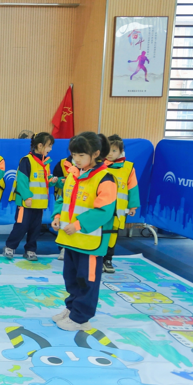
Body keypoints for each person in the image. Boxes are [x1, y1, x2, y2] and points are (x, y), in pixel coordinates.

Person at [51, 132, 117, 331]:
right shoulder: (72, 174)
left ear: (96, 153)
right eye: (74, 155)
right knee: (70, 278)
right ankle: (72, 309)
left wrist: (78, 225)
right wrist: (56, 217)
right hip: (71, 239)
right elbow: (63, 200)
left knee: (86, 280)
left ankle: (81, 318)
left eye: (81, 155)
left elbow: (104, 211)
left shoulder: (105, 179)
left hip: (90, 241)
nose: (76, 159)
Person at [4, 133, 58, 261]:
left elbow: (44, 179)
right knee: (21, 226)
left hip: (39, 204)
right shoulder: (27, 160)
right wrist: (27, 197)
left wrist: (51, 180)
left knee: (35, 228)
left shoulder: (46, 162)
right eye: (48, 146)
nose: (50, 149)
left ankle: (30, 250)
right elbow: (22, 181)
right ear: (40, 146)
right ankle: (10, 247)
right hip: (25, 203)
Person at [103, 135, 140, 273]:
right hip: (101, 209)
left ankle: (108, 259)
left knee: (113, 234)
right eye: (108, 150)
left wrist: (133, 206)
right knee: (100, 234)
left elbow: (133, 188)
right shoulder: (99, 166)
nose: (110, 154)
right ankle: (98, 259)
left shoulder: (128, 168)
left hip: (118, 211)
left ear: (121, 152)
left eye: (114, 151)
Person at [53, 154, 74, 261]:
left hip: (80, 201)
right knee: (63, 223)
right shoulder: (62, 163)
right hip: (65, 197)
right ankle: (62, 248)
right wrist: (64, 182)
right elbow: (56, 180)